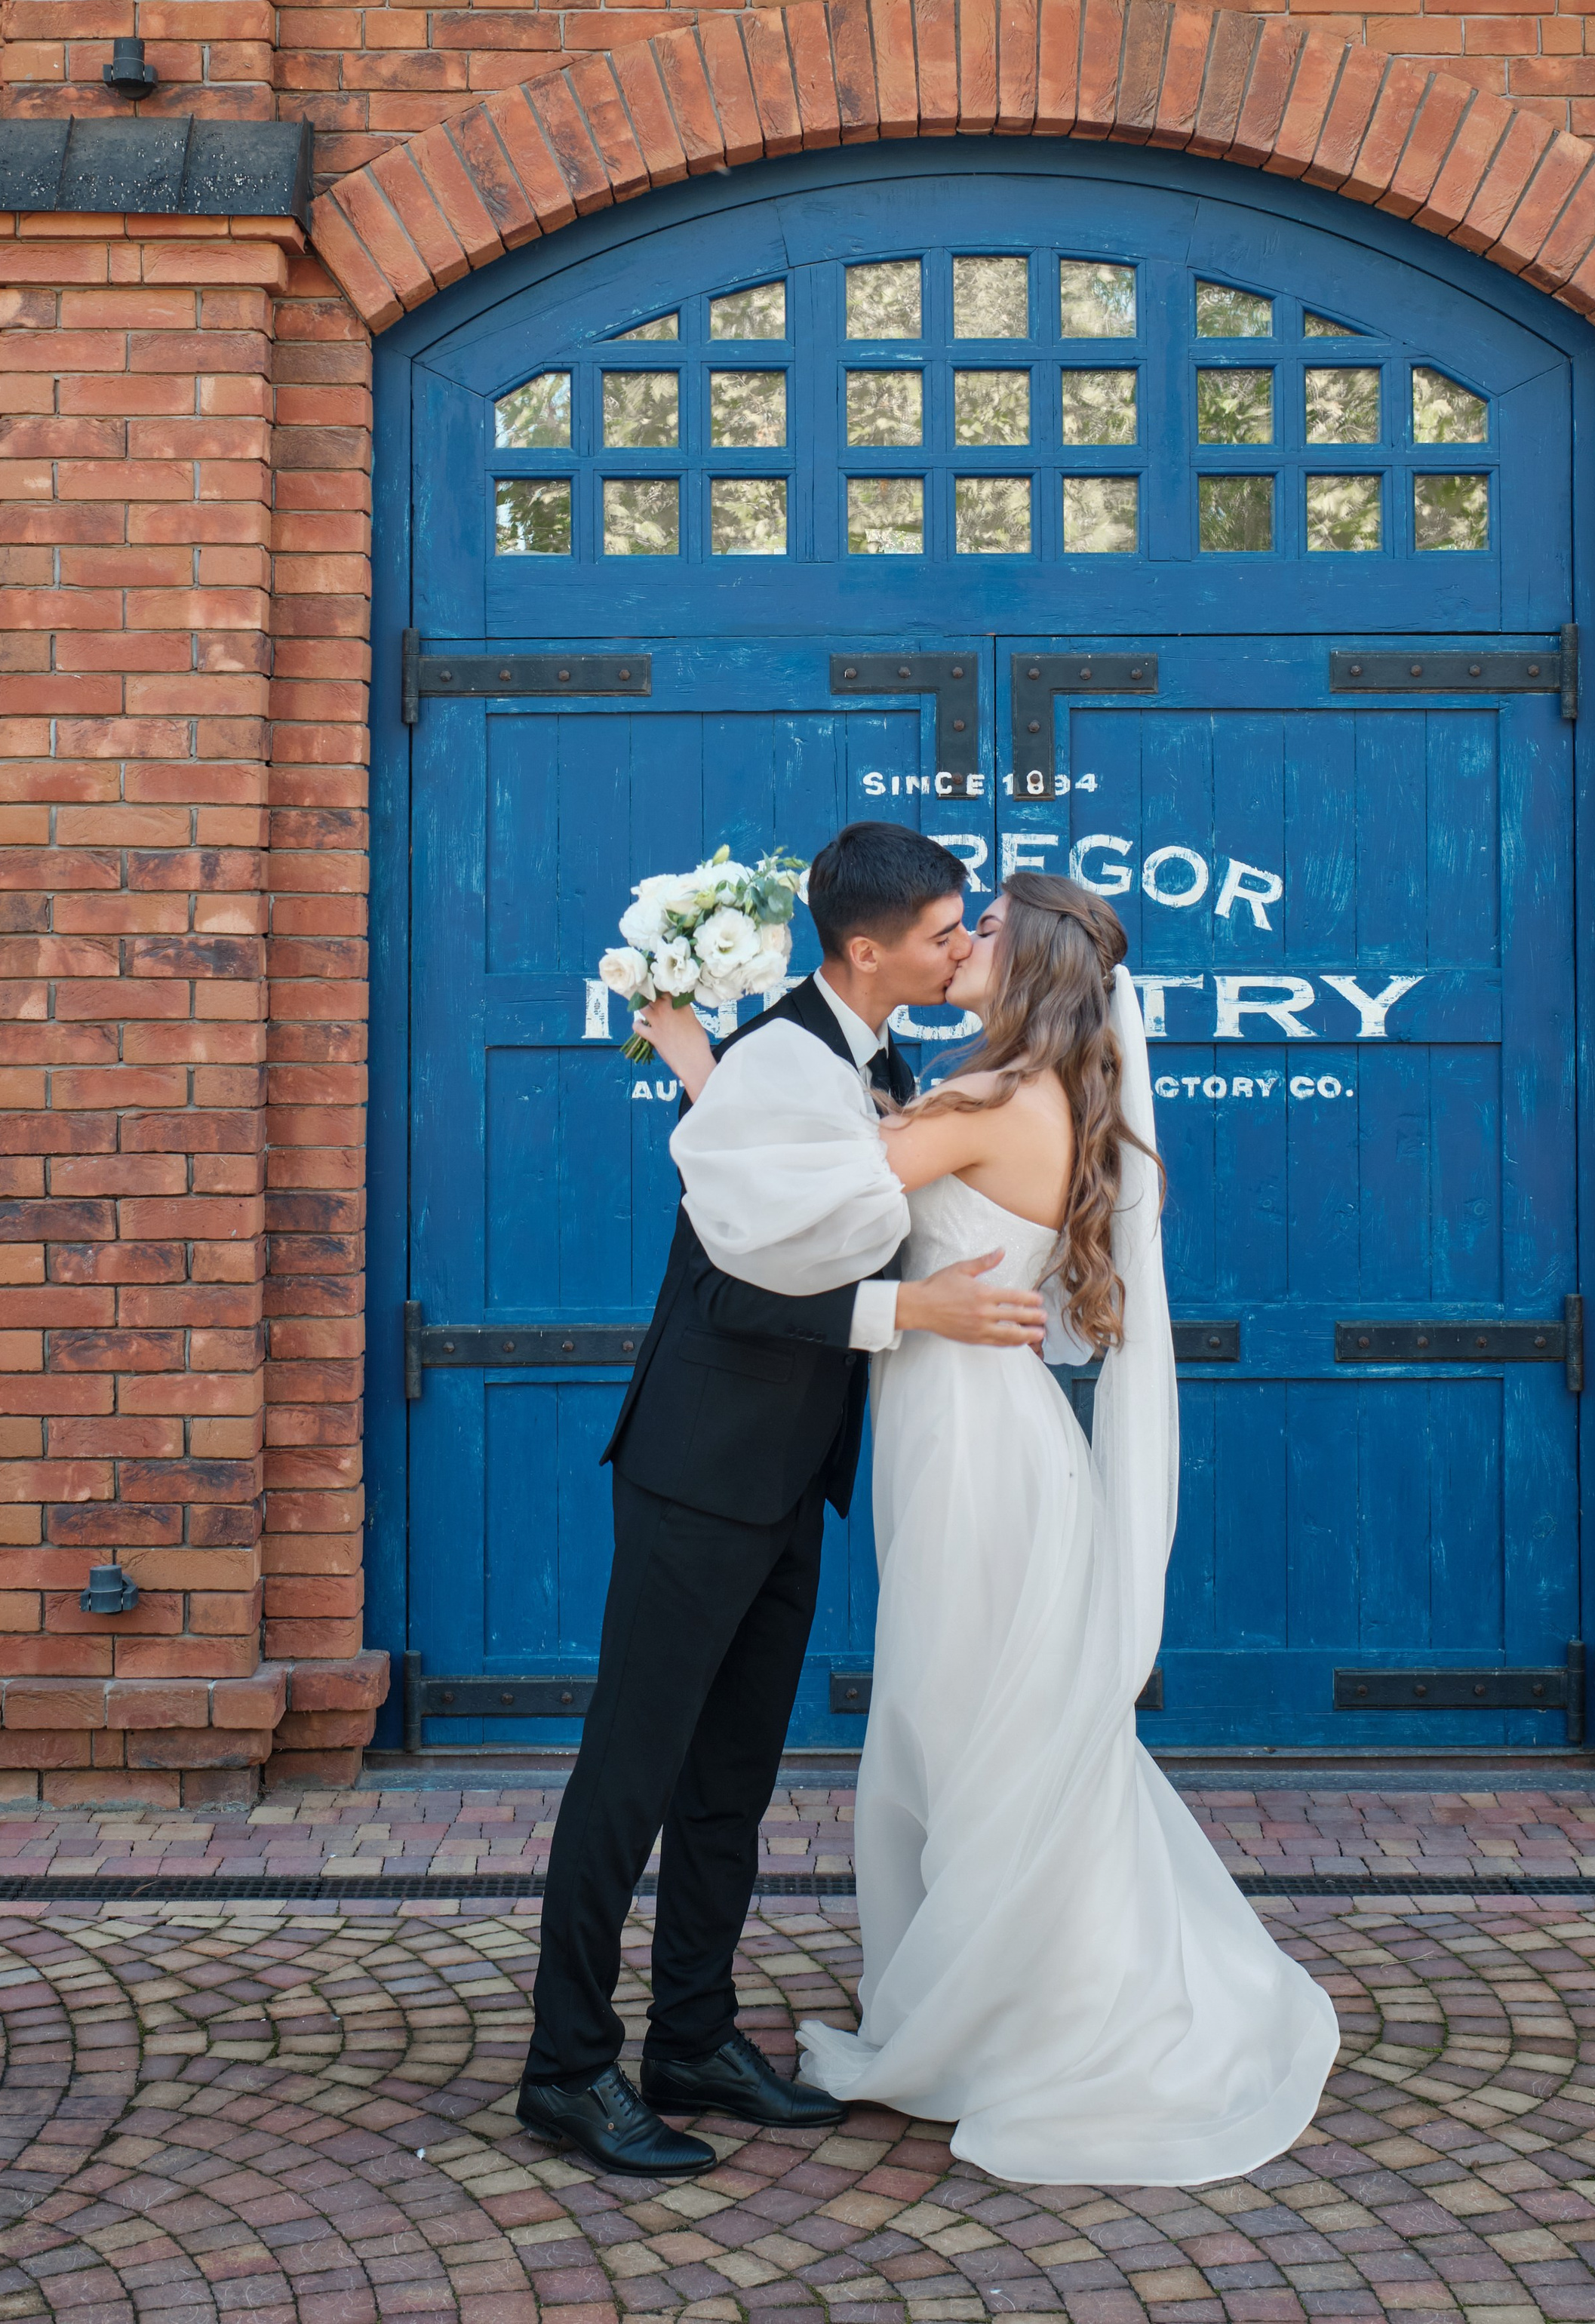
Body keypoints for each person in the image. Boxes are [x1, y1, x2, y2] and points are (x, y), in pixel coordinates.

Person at [645, 871, 1340, 2187]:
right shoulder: (1025, 1093)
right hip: (977, 1438)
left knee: (970, 1732)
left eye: (987, 936)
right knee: (988, 1733)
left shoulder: (985, 1104)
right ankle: (1011, 1995)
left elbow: (801, 1203)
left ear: (1027, 973)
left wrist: (696, 1059)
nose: (962, 944)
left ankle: (1012, 2026)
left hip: (973, 1456)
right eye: (957, 929)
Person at [517, 822, 1048, 2179]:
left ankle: (691, 2037)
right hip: (699, 1472)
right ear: (868, 949)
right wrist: (907, 1307)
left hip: (787, 1479)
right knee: (630, 1777)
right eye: (945, 932)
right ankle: (567, 2070)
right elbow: (729, 1288)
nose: (962, 947)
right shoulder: (777, 1058)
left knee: (730, 1783)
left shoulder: (874, 1055)